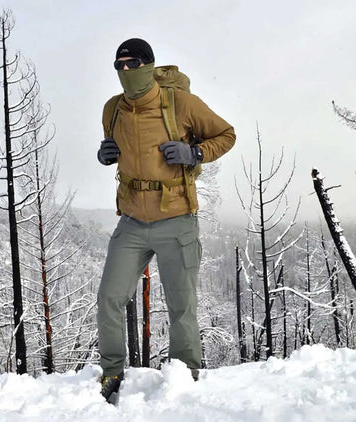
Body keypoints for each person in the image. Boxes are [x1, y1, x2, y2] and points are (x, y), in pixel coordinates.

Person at [96, 38, 235, 401]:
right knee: (110, 297)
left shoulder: (179, 103)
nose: (126, 71)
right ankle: (111, 373)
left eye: (133, 64)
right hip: (131, 222)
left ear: (148, 65)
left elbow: (226, 134)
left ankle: (185, 376)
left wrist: (196, 151)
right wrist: (105, 153)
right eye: (119, 65)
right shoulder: (112, 109)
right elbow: (117, 147)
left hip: (176, 218)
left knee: (181, 304)